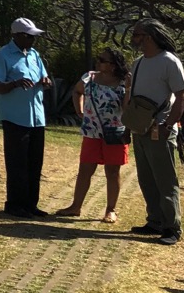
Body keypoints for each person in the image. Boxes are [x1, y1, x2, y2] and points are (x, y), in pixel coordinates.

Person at [127, 19, 184, 245]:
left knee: (165, 179)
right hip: (141, 128)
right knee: (146, 178)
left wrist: (167, 125)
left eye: (137, 34)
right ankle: (155, 221)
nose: (134, 39)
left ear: (149, 37)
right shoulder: (138, 63)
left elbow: (182, 95)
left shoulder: (169, 61)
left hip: (160, 129)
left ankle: (172, 227)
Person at [0, 17, 54, 218]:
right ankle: (15, 204)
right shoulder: (4, 55)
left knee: (35, 162)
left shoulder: (34, 54)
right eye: (29, 36)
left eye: (34, 36)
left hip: (36, 116)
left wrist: (45, 81)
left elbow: (45, 78)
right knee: (17, 163)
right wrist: (14, 83)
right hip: (15, 117)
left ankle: (31, 205)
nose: (33, 40)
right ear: (16, 35)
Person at [55, 48, 131, 223]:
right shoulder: (89, 77)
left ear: (113, 65)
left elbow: (127, 109)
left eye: (102, 60)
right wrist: (80, 111)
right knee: (85, 171)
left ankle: (111, 210)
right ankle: (75, 207)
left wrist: (128, 89)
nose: (98, 62)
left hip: (115, 132)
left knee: (112, 172)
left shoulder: (123, 82)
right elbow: (77, 91)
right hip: (91, 132)